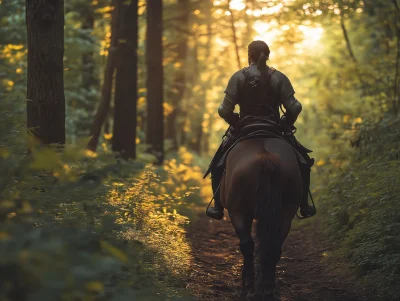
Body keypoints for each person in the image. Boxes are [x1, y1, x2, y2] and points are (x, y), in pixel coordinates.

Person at [205, 40, 316, 220]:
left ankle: (217, 206)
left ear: (249, 55)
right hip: (274, 129)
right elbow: (295, 108)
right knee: (302, 162)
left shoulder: (238, 77)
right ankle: (304, 204)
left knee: (218, 164)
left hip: (245, 129)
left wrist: (235, 121)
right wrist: (286, 123)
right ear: (268, 55)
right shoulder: (279, 77)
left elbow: (223, 110)